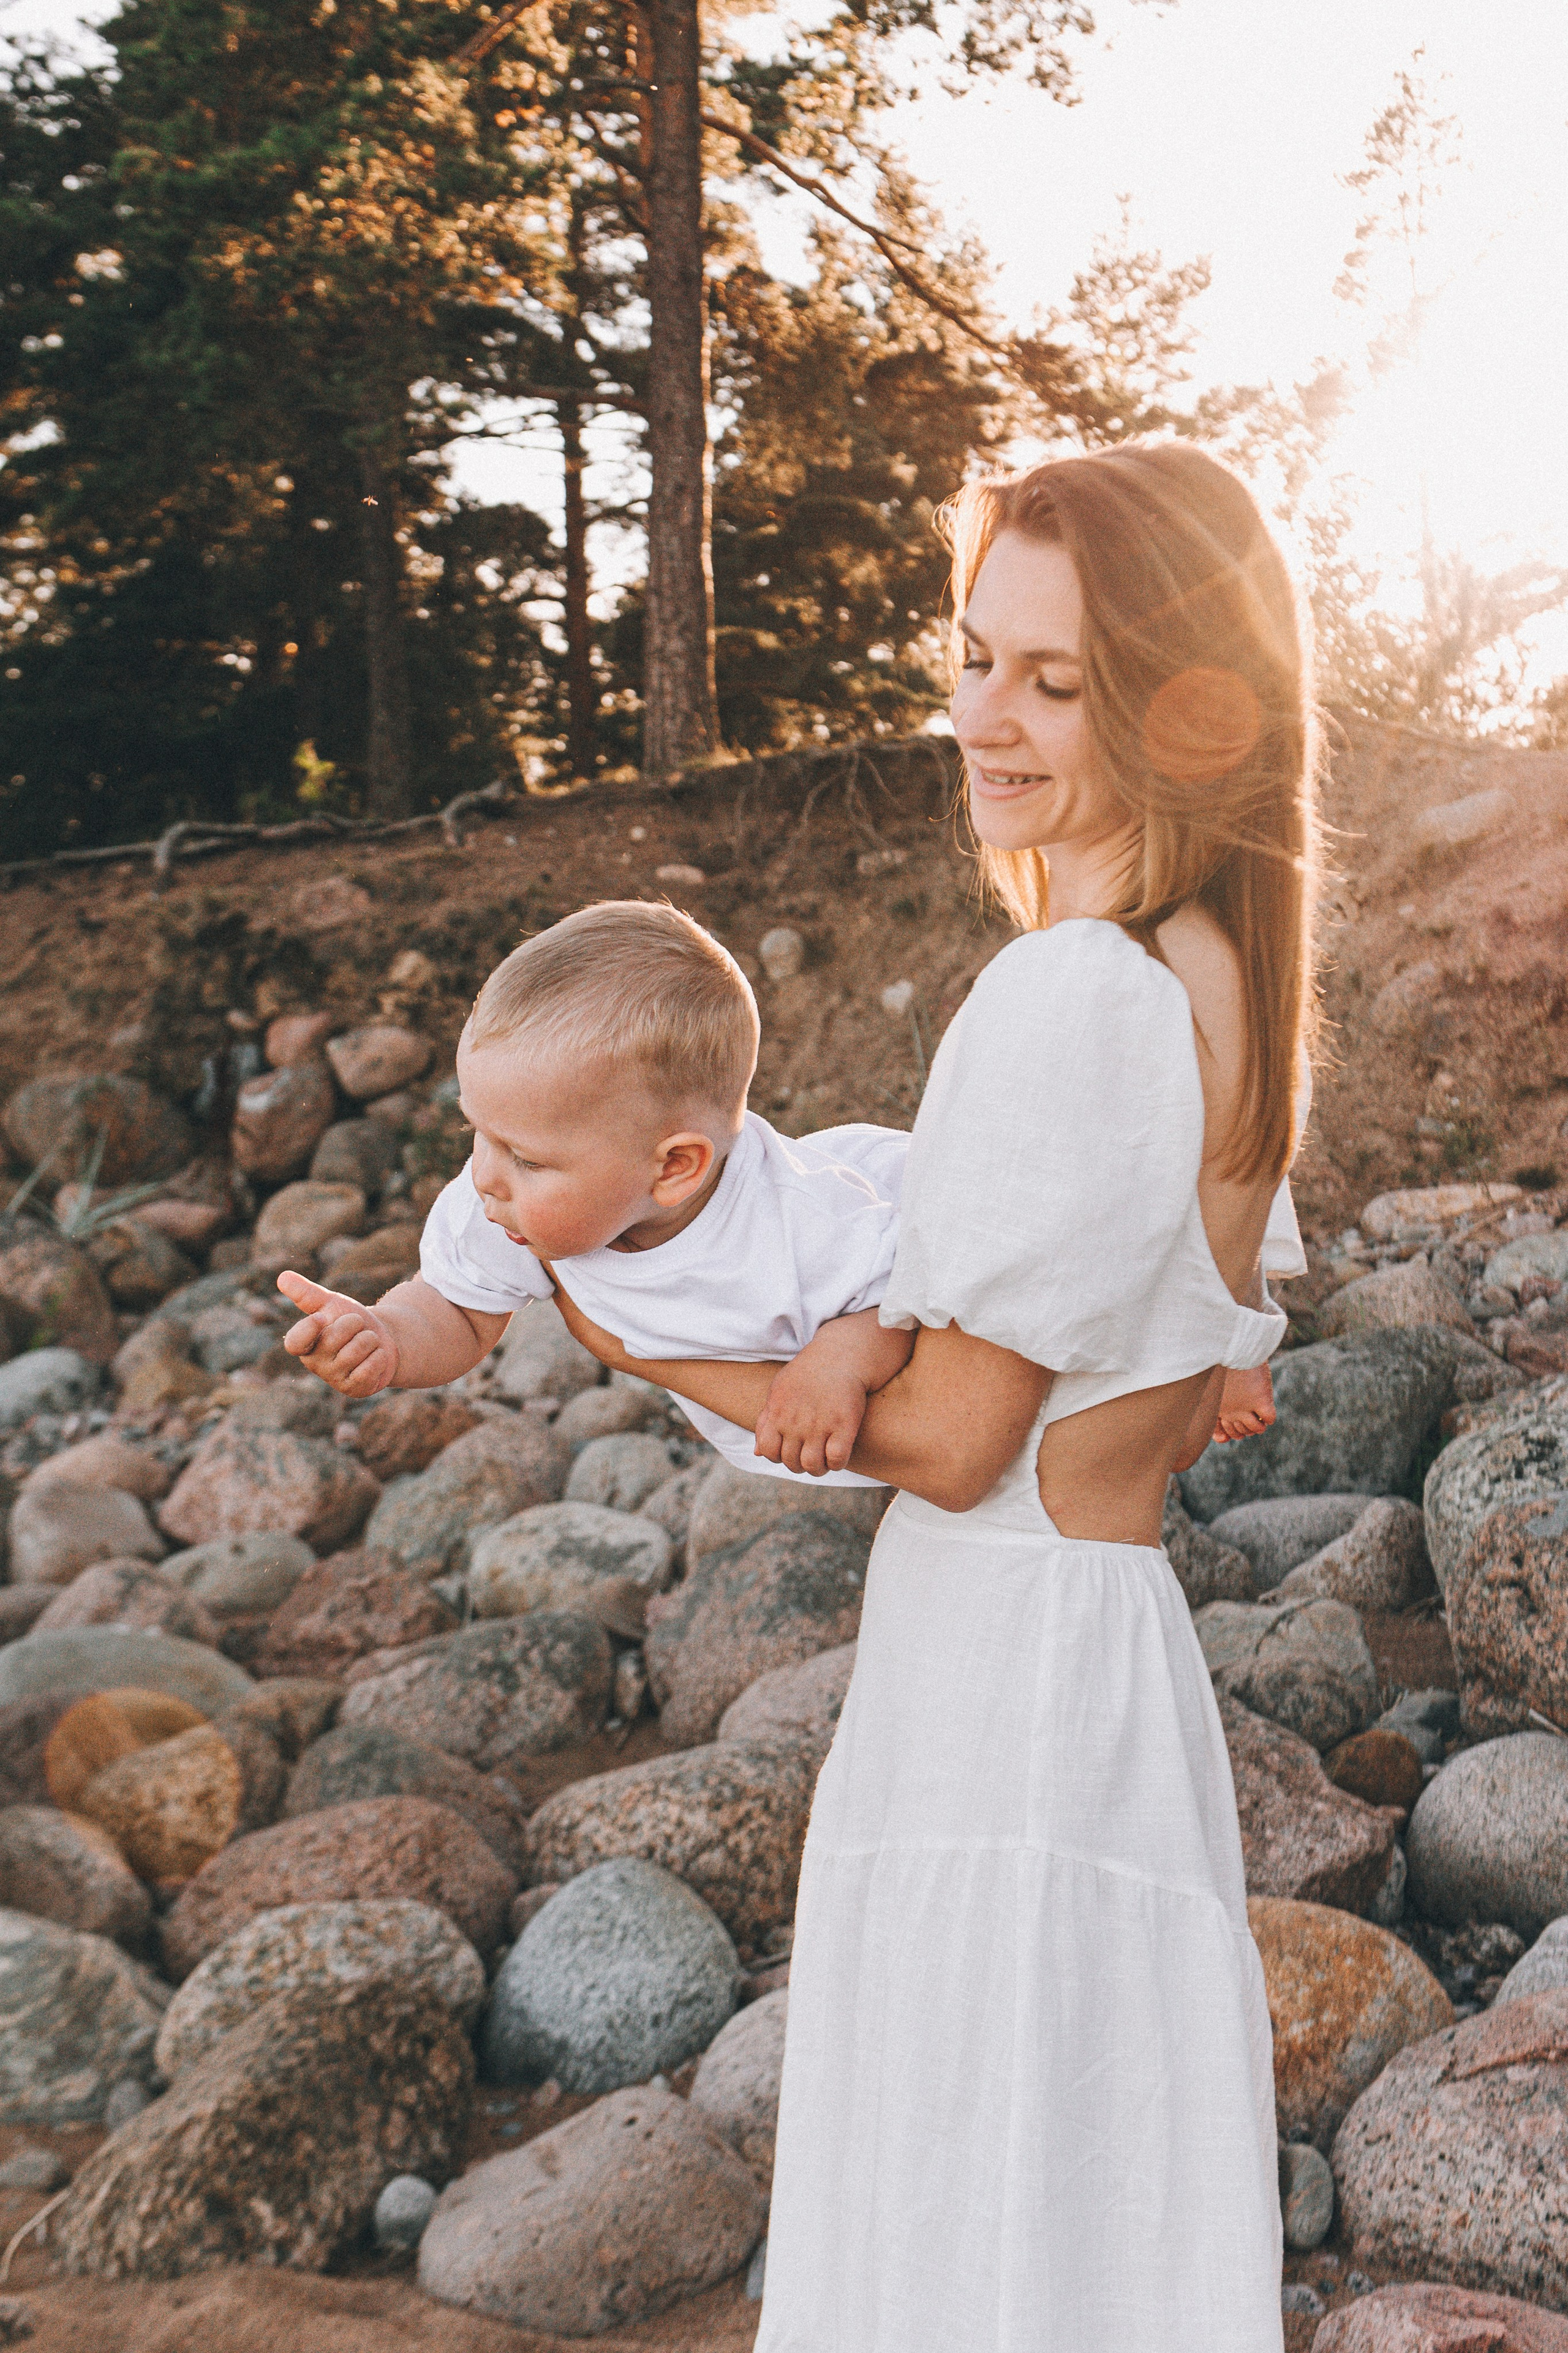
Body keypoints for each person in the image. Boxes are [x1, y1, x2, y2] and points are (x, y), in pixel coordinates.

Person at [546, 441, 1318, 2351]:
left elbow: (965, 1437)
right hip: (1104, 1651)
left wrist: (652, 1342)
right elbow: (1222, 1365)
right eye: (977, 655)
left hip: (1001, 1660)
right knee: (1072, 2210)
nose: (987, 714)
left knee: (961, 2210)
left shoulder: (1076, 988)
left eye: (1057, 681)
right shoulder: (1224, 979)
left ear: (1182, 702)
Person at [276, 899, 914, 1477]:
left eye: (525, 1157)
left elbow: (902, 1289)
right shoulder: (508, 1208)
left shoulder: (803, 1222)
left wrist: (837, 1365)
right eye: (479, 1133)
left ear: (672, 1169)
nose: (484, 1176)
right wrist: (387, 1336)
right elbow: (458, 1311)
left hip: (904, 1219)